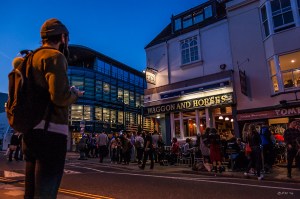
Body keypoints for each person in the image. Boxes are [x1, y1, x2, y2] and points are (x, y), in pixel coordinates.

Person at [22, 18, 84, 199]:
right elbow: (59, 97)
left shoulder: (30, 58)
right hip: (51, 133)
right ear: (63, 37)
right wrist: (73, 94)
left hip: (31, 132)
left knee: (31, 194)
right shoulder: (55, 57)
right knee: (46, 194)